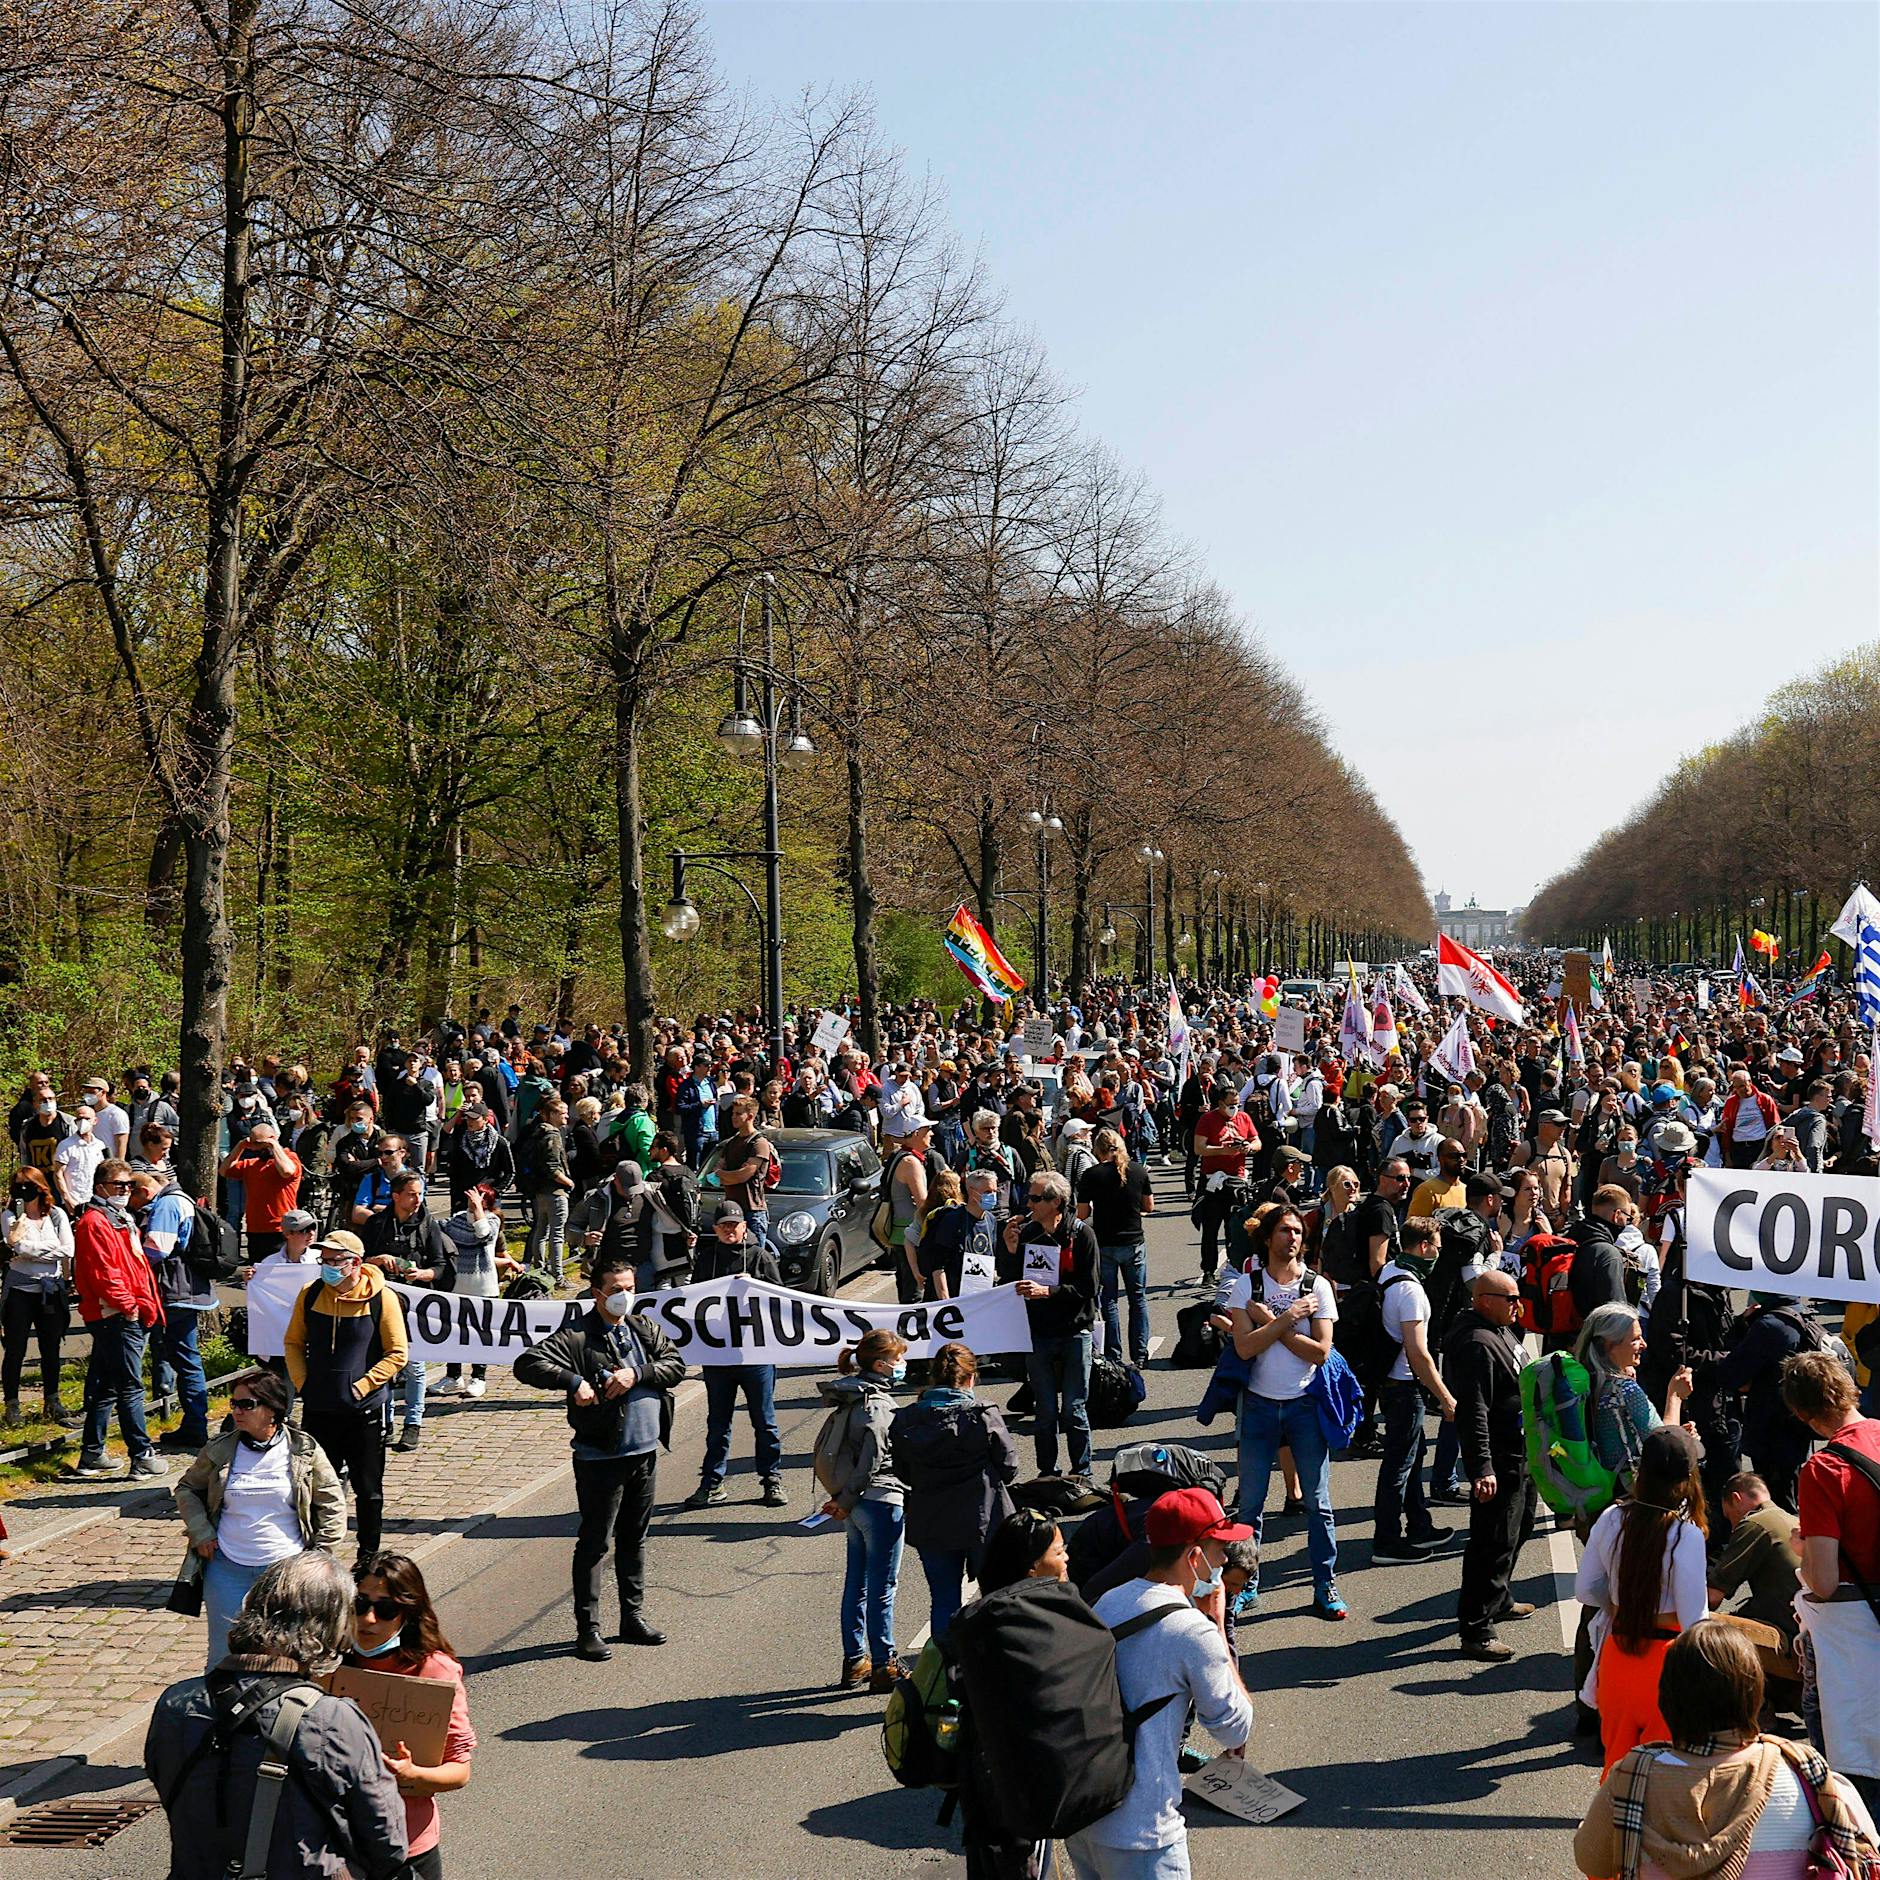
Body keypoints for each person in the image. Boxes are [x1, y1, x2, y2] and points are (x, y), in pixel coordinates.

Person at [144, 1551, 408, 1880]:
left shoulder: (175, 1702)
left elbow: (168, 1786)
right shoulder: (333, 1718)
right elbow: (388, 1842)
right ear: (331, 1627)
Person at [1575, 1620, 1880, 1880]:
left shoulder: (1632, 1779)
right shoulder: (1807, 1772)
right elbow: (1866, 1851)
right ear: (1755, 1694)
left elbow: (1591, 1861)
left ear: (1667, 1698)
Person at [1067, 1488, 1255, 1880]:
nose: (1224, 1559)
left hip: (1086, 1817)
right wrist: (1217, 1626)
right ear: (1195, 1556)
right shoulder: (1192, 1631)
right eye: (1219, 1548)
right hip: (1144, 1831)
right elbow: (1234, 1726)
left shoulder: (1110, 1600)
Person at [513, 1250, 685, 1659]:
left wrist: (637, 1373)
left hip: (644, 1452)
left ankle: (632, 1616)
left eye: (629, 1289)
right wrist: (573, 1381)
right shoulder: (578, 1335)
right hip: (600, 1457)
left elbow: (674, 1364)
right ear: (597, 1293)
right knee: (594, 1542)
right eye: (615, 1291)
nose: (624, 1297)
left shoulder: (644, 1329)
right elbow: (528, 1363)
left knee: (634, 1537)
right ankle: (587, 1628)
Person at [1220, 1205, 1345, 1620]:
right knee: (1251, 1505)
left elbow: (1321, 1352)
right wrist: (1289, 1318)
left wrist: (1272, 1322)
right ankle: (1245, 1586)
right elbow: (1244, 1347)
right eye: (1285, 1231)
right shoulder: (1246, 1285)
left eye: (1298, 1232)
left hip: (1305, 1405)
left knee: (1318, 1503)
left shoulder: (1318, 1287)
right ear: (1269, 1238)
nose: (1292, 1237)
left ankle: (1325, 1586)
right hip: (1257, 1406)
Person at [174, 1368, 346, 1668]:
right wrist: (201, 1532)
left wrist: (319, 1555)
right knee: (223, 1654)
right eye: (234, 1404)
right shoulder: (221, 1450)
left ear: (273, 1410)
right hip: (228, 1569)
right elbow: (187, 1488)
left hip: (286, 1573)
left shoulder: (303, 1450)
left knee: (287, 1650)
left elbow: (331, 1501)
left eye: (247, 1404)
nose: (238, 1411)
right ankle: (223, 1712)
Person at [1575, 1425, 1711, 1777]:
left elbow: (1586, 1589)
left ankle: (1609, 1830)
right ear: (1688, 1478)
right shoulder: (1686, 1534)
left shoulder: (1612, 1518)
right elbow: (1695, 1620)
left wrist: (1619, 1607)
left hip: (1618, 1655)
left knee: (1616, 1768)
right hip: (1666, 1665)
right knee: (1665, 1773)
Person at [1785, 1348, 1880, 1816]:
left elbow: (1821, 1582)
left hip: (1855, 1643)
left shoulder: (1823, 1471)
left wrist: (1803, 1552)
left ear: (1802, 1414)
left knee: (1857, 1785)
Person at [341, 1553, 477, 1878]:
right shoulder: (329, 1663)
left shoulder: (435, 1671)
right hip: (335, 1844)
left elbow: (460, 1771)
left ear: (408, 1613)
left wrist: (412, 1774)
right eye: (360, 1604)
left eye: (385, 1609)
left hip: (406, 1844)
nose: (369, 1619)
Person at [284, 1229, 409, 1568]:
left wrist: (363, 1386)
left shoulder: (382, 1298)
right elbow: (293, 1342)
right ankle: (315, 1558)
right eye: (323, 1261)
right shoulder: (310, 1295)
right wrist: (303, 1383)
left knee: (368, 1490)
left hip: (363, 1412)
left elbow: (397, 1353)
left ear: (354, 1263)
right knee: (314, 1488)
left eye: (334, 1261)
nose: (327, 1267)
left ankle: (368, 1556)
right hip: (319, 1409)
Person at [890, 1341, 1019, 1641]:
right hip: (984, 1519)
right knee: (998, 1595)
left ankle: (945, 1673)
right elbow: (1009, 1466)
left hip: (931, 1520)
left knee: (944, 1601)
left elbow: (902, 1472)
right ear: (971, 1378)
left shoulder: (906, 1420)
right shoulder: (982, 1415)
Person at [1442, 1268, 1537, 1662]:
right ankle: (1477, 1629)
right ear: (1484, 1301)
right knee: (1491, 1543)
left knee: (1519, 1529)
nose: (1518, 1306)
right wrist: (1482, 1468)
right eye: (1510, 1299)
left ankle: (1499, 1598)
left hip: (1522, 1453)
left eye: (1518, 1298)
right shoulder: (1477, 1343)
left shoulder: (1500, 1330)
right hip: (1500, 1459)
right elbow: (1474, 1411)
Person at [817, 1329, 909, 1693]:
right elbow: (873, 1460)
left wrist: (843, 1500)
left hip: (853, 1505)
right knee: (883, 1586)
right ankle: (885, 1663)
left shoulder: (851, 1395)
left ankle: (856, 1660)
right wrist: (848, 1499)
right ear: (882, 1364)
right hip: (880, 1502)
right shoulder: (879, 1405)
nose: (903, 1365)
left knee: (857, 1582)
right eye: (899, 1359)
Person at [683, 1201, 787, 1508]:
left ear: (745, 1227)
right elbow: (692, 1300)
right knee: (718, 1423)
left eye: (735, 1225)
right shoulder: (706, 1259)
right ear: (715, 1229)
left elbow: (780, 1299)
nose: (730, 1230)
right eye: (724, 1225)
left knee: (764, 1422)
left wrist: (754, 1286)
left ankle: (771, 1479)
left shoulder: (759, 1257)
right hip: (717, 1357)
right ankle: (712, 1482)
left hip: (755, 1356)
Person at [67, 1159, 166, 1480]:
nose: (126, 1191)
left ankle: (92, 1453)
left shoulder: (119, 1219)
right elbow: (104, 1273)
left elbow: (132, 1267)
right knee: (130, 1386)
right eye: (118, 1185)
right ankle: (142, 1455)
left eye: (129, 1186)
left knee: (108, 1386)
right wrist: (129, 1306)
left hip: (122, 1311)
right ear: (101, 1188)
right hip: (116, 1314)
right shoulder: (95, 1222)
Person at [1000, 1169, 1100, 1482]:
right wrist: (1010, 1249)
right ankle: (1047, 1475)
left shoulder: (1081, 1234)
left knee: (1073, 1408)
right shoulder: (1028, 1233)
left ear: (1055, 1201)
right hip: (1039, 1334)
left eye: (1034, 1198)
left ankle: (1081, 1473)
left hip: (1074, 1332)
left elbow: (1090, 1287)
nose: (1027, 1203)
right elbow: (1010, 1280)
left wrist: (1049, 1292)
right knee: (1044, 1412)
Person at [1371, 1215, 1459, 1564]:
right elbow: (1418, 1353)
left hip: (1388, 1385)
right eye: (1436, 1246)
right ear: (1424, 1247)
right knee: (1399, 1466)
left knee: (1412, 1455)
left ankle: (1419, 1525)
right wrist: (1445, 1397)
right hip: (1405, 1388)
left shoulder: (1390, 1271)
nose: (1438, 1254)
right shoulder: (1411, 1290)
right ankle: (1387, 1541)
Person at [362, 1168, 453, 1452]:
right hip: (382, 1304)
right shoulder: (376, 1224)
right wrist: (378, 1260)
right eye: (412, 1194)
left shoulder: (429, 1226)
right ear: (396, 1195)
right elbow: (360, 1261)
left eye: (420, 1194)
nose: (417, 1200)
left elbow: (439, 1268)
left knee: (414, 1366)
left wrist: (421, 1274)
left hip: (416, 1307)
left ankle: (413, 1423)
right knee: (383, 1364)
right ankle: (386, 1422)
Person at [129, 1163, 216, 1452]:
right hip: (189, 1288)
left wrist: (132, 1263)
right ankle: (194, 1424)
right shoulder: (183, 1198)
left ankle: (194, 1426)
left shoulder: (166, 1205)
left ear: (144, 1190)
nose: (133, 1205)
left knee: (185, 1359)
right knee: (186, 1358)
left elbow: (158, 1249)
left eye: (135, 1199)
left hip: (175, 1290)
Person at [1077, 1126, 1155, 1369]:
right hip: (1133, 1241)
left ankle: (1113, 1353)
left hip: (1106, 1243)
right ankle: (1140, 1354)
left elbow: (1083, 1212)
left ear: (1097, 1150)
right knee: (1137, 1298)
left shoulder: (1091, 1175)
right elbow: (1149, 1206)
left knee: (1109, 1300)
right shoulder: (1139, 1171)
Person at [2, 1168, 75, 1426]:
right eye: (19, 1186)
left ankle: (52, 1401)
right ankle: (12, 1405)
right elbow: (18, 1246)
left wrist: (32, 1252)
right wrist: (45, 1251)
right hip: (20, 1291)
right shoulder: (11, 1216)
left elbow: (68, 1248)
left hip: (50, 1289)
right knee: (15, 1349)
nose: (24, 1190)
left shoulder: (56, 1215)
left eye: (28, 1185)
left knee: (51, 1347)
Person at [432, 1184, 516, 1399]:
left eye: (478, 1199)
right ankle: (453, 1376)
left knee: (481, 1334)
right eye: (470, 1198)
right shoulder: (459, 1217)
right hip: (458, 1286)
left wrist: (478, 1209)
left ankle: (478, 1378)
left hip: (484, 1286)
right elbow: (439, 1228)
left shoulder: (493, 1220)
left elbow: (483, 1234)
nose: (471, 1202)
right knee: (455, 1333)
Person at [1705, 1471, 1803, 1643]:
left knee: (1708, 1630)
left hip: (1787, 1632)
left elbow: (1712, 1597)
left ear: (1736, 1498)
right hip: (1807, 1625)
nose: (1732, 1526)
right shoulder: (1790, 1520)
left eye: (1730, 1516)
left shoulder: (1754, 1524)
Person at [1193, 1083, 1257, 1286]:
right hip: (1213, 1181)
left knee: (1235, 1228)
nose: (1235, 1108)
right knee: (1210, 1228)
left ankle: (1236, 1267)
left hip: (1236, 1181)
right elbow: (1199, 1148)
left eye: (1237, 1104)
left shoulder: (1244, 1118)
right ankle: (1208, 1271)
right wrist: (1222, 1150)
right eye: (1231, 1105)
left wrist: (1248, 1147)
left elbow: (1257, 1141)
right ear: (1220, 1104)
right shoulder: (1207, 1119)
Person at [217, 1117, 302, 1262]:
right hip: (255, 1229)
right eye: (255, 1145)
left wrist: (274, 1145)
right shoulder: (251, 1164)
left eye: (261, 1144)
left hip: (281, 1229)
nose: (258, 1148)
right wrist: (240, 1146)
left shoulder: (290, 1157)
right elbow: (224, 1171)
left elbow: (287, 1171)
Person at [519, 1094, 574, 1272]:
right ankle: (557, 1274)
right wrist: (568, 1182)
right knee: (556, 1235)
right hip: (555, 1192)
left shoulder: (537, 1132)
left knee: (541, 1231)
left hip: (539, 1191)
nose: (566, 1116)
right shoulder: (552, 1134)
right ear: (550, 1115)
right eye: (562, 1113)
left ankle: (539, 1268)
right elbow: (552, 1167)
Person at [976, 1507, 1071, 1593]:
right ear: (1031, 1569)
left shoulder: (988, 1607)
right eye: (1059, 1552)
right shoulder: (1050, 1609)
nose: (1066, 1557)